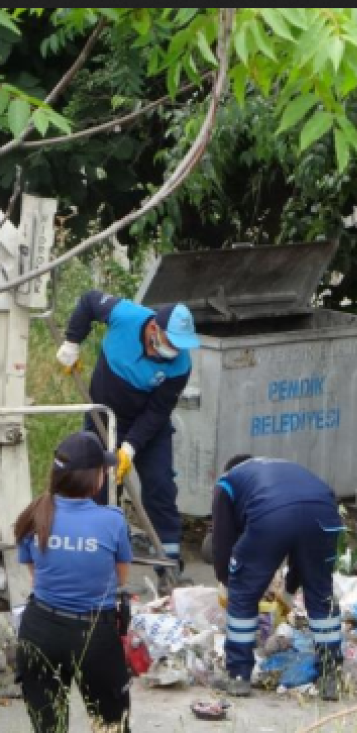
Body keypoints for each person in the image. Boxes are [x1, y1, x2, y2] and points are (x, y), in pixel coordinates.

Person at [55, 291, 200, 574]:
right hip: (104, 419)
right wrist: (73, 342)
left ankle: (168, 565)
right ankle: (97, 562)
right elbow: (87, 301)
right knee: (100, 488)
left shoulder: (181, 366)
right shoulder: (126, 315)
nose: (176, 351)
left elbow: (158, 411)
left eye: (181, 345)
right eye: (172, 343)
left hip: (149, 428)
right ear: (154, 329)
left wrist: (130, 448)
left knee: (160, 486)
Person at [15, 432, 133, 733]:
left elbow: (35, 574)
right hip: (94, 636)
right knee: (110, 726)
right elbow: (120, 578)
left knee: (48, 726)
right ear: (94, 478)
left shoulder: (33, 515)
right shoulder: (112, 520)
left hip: (39, 631)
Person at [210, 456, 344, 700]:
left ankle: (238, 676)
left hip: (272, 516)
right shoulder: (284, 470)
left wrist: (226, 581)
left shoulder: (227, 482)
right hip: (324, 511)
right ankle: (330, 675)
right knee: (322, 595)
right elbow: (302, 548)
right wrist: (289, 592)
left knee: (243, 592)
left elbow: (222, 539)